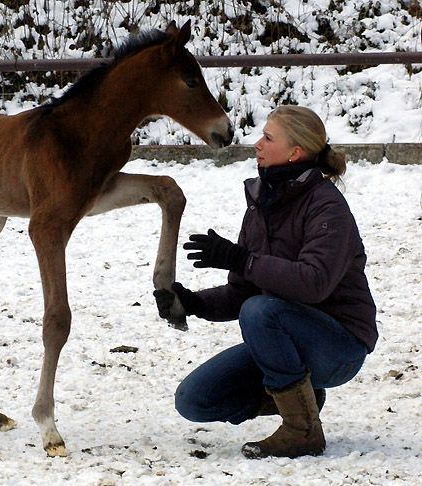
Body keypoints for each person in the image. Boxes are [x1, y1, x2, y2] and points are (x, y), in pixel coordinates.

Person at [154, 105, 377, 459]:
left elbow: (313, 283)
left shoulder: (327, 207)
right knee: (195, 399)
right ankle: (303, 400)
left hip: (340, 348)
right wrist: (194, 303)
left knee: (261, 311)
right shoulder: (262, 205)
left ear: (295, 152)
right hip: (284, 338)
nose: (257, 144)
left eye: (268, 138)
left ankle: (302, 431)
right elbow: (243, 292)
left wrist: (240, 258)